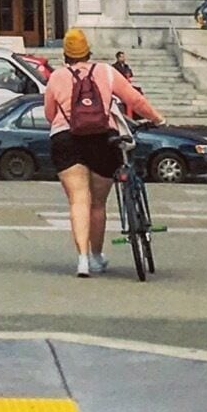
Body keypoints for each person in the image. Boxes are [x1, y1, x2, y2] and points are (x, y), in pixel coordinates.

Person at [42, 26, 162, 277]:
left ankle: (82, 260)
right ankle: (97, 256)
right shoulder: (106, 72)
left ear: (65, 54)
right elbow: (135, 100)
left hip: (66, 139)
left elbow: (49, 115)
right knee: (97, 203)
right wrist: (158, 119)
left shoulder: (57, 77)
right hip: (101, 139)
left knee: (78, 200)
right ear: (88, 52)